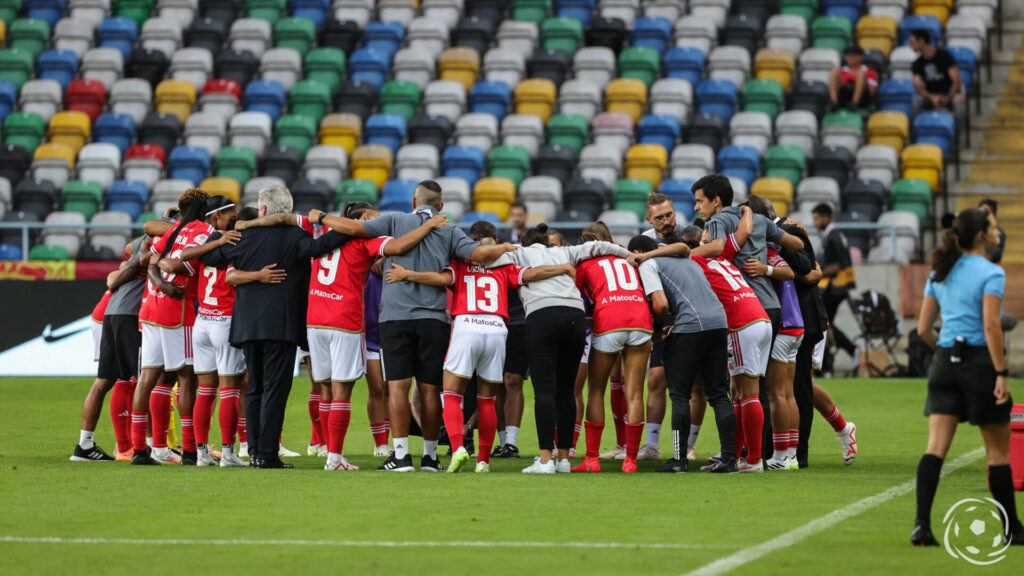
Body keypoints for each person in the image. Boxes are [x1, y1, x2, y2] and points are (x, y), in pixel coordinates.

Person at [310, 180, 513, 472]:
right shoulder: (450, 229)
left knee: (397, 388)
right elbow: (479, 255)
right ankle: (430, 458)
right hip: (433, 318)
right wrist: (506, 246)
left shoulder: (395, 219)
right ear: (440, 206)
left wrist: (321, 217)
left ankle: (401, 456)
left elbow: (354, 229)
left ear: (414, 200)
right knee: (430, 390)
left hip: (395, 317)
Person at [387, 221, 573, 473]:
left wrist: (408, 274)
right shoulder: (505, 265)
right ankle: (483, 461)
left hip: (466, 325)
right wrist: (561, 268)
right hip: (497, 328)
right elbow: (532, 274)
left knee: (452, 395)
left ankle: (458, 448)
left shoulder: (461, 264)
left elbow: (439, 278)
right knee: (487, 400)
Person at [201, 185, 352, 469]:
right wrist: (337, 223)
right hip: (281, 325)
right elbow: (322, 246)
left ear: (263, 210)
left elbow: (208, 258)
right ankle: (267, 454)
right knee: (274, 390)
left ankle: (256, 450)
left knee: (255, 388)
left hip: (246, 325)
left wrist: (222, 236)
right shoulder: (296, 235)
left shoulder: (241, 235)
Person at [912, 207, 1022, 547]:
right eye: (992, 226)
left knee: (935, 449)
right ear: (980, 235)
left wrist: (945, 352)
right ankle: (1012, 529)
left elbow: (922, 329)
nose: (998, 231)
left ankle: (921, 526)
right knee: (998, 454)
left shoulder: (941, 269)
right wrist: (1001, 372)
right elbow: (991, 325)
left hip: (945, 360)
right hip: (978, 362)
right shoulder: (991, 271)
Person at [490, 222, 631, 473]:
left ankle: (545, 460)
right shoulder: (565, 252)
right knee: (566, 391)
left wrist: (506, 246)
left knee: (544, 390)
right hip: (575, 317)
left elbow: (486, 259)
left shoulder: (518, 253)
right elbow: (598, 246)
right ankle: (564, 459)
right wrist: (627, 253)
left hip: (542, 315)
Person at [627, 234, 737, 474]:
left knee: (679, 395)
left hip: (690, 327)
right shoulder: (688, 261)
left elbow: (661, 304)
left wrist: (657, 330)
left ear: (636, 251)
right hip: (719, 323)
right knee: (719, 394)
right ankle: (730, 459)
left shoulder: (648, 264)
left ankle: (679, 460)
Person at [157, 195, 247, 467]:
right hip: (225, 320)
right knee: (230, 389)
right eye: (231, 211)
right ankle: (229, 455)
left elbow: (179, 258)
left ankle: (200, 453)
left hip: (202, 322)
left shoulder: (203, 246)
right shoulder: (232, 241)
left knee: (205, 390)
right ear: (218, 215)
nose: (236, 214)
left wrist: (158, 260)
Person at [129, 189, 216, 465]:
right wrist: (169, 284)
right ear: (204, 210)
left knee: (148, 378)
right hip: (177, 313)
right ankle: (190, 450)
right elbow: (185, 265)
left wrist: (160, 283)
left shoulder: (171, 230)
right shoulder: (203, 231)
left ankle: (140, 450)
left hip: (150, 309)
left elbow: (148, 259)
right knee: (187, 378)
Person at [572, 226, 654, 474]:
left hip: (609, 321)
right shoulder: (629, 258)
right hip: (640, 319)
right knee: (636, 392)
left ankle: (592, 459)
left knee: (596, 390)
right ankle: (630, 461)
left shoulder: (584, 265)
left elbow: (577, 300)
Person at [70, 236, 150, 462]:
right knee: (135, 379)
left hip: (109, 312)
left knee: (108, 380)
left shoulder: (142, 249)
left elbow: (125, 255)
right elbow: (114, 278)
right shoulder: (155, 242)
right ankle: (130, 447)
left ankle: (86, 445)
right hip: (123, 315)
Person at [812, 203, 857, 375]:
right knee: (825, 325)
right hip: (838, 288)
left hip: (834, 288)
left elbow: (836, 266)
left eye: (816, 218)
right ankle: (827, 364)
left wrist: (816, 273)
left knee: (822, 325)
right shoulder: (836, 235)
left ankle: (828, 364)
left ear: (826, 217)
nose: (815, 222)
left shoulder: (832, 236)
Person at [910, 29, 963, 113]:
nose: (910, 46)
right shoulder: (917, 63)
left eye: (912, 42)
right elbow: (918, 87)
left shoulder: (945, 56)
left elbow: (956, 81)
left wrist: (947, 98)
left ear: (921, 41)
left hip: (949, 94)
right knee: (916, 101)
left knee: (959, 103)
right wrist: (931, 97)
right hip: (931, 96)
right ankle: (918, 125)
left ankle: (957, 126)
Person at [978, 198, 1007, 264]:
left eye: (985, 211)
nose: (981, 214)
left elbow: (989, 257)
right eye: (980, 211)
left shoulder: (999, 234)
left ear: (993, 215)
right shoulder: (972, 230)